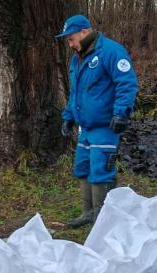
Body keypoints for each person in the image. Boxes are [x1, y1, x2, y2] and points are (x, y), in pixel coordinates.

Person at [57, 14, 139, 228]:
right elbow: (76, 92)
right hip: (86, 127)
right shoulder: (78, 58)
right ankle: (89, 213)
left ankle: (103, 223)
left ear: (84, 32)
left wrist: (122, 113)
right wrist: (68, 117)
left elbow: (127, 83)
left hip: (106, 126)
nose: (70, 43)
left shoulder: (111, 51)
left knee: (100, 170)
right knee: (82, 168)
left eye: (71, 38)